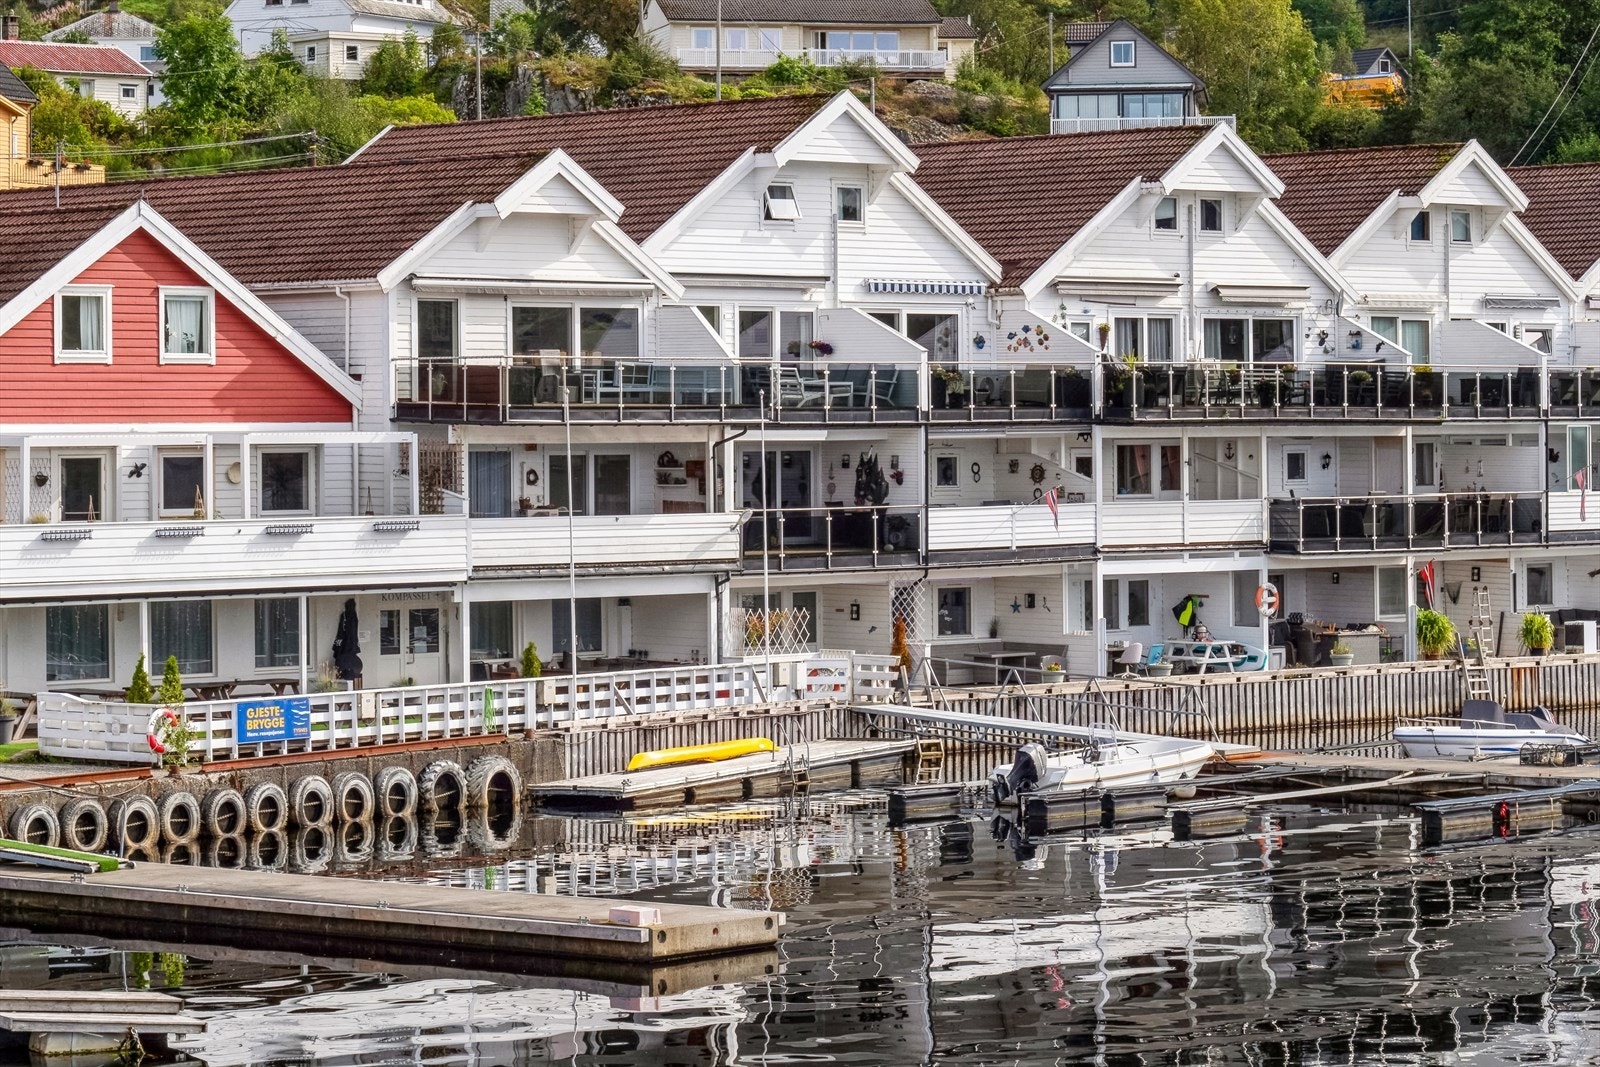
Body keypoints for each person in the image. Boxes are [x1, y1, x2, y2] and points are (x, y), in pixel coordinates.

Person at [332, 598, 363, 685]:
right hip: (347, 646)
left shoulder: (350, 616)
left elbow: (351, 631)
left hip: (348, 647)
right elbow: (346, 631)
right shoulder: (347, 616)